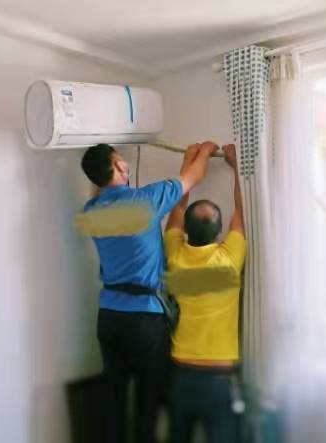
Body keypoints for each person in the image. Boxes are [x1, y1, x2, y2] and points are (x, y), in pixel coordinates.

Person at [80, 141, 219, 443]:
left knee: (114, 407)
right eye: (121, 161)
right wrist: (205, 150)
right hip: (144, 321)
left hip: (109, 319)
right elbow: (194, 177)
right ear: (119, 166)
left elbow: (101, 189)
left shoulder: (90, 211)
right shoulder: (146, 201)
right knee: (147, 410)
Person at [164, 144, 246, 443]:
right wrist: (237, 166)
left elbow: (176, 208)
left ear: (185, 230)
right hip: (219, 381)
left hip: (181, 375)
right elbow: (242, 210)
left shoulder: (175, 255)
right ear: (220, 231)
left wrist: (190, 161)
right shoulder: (229, 260)